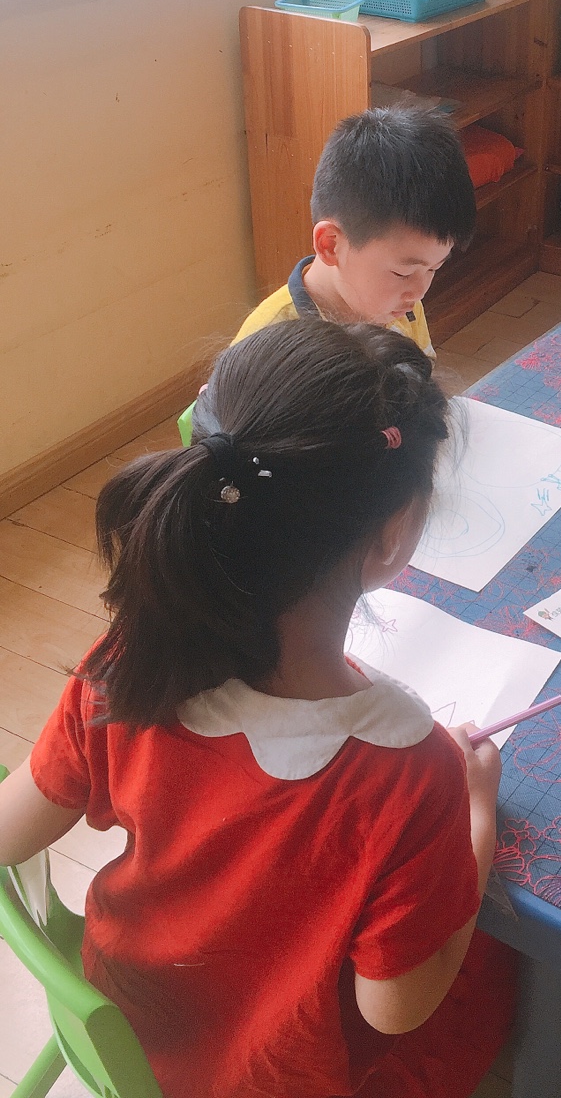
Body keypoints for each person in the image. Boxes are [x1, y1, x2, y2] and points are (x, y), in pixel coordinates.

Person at [0, 321, 515, 1098]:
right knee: (501, 976)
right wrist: (478, 817)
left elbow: (8, 834)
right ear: (394, 533)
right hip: (278, 1073)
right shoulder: (414, 773)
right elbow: (396, 1009)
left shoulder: (125, 666)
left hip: (125, 1016)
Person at [235, 106, 478, 358]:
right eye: (402, 273)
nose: (419, 292)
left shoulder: (400, 306)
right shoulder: (269, 347)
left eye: (433, 269)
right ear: (330, 245)